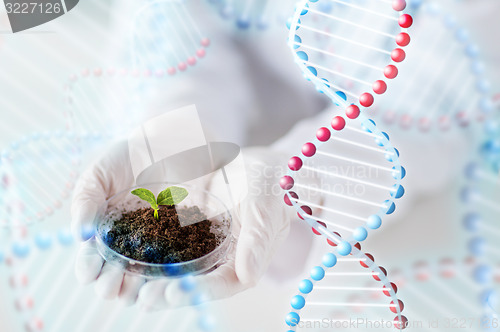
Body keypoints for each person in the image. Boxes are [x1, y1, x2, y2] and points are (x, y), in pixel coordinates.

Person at [71, 0, 498, 312]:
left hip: (411, 228)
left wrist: (297, 175)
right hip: (251, 112)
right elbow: (177, 24)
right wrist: (176, 131)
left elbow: (431, 103)